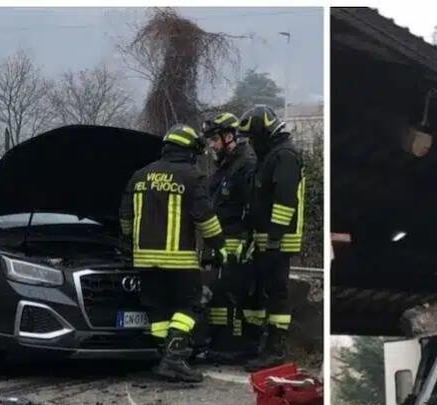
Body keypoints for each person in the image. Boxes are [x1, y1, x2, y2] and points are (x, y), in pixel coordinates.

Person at [120, 124, 224, 383]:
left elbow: (125, 218)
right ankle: (174, 358)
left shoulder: (140, 175)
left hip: (143, 259)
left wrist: (131, 240)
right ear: (189, 149)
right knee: (191, 304)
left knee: (158, 311)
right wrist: (219, 246)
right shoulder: (192, 176)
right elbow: (205, 218)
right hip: (179, 260)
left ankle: (164, 358)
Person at [237, 105, 304, 372]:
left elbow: (285, 201)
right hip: (265, 239)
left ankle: (275, 349)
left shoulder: (284, 156)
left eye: (253, 139)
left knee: (277, 295)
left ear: (264, 133)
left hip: (279, 240)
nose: (251, 145)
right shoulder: (271, 156)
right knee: (263, 293)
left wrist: (275, 238)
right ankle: (262, 345)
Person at [201, 111, 258, 363]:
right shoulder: (223, 168)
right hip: (220, 242)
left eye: (215, 140)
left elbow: (251, 207)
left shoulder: (245, 164)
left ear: (229, 136)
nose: (212, 146)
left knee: (234, 295)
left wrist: (247, 241)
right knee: (218, 294)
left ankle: (235, 346)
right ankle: (220, 343)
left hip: (237, 242)